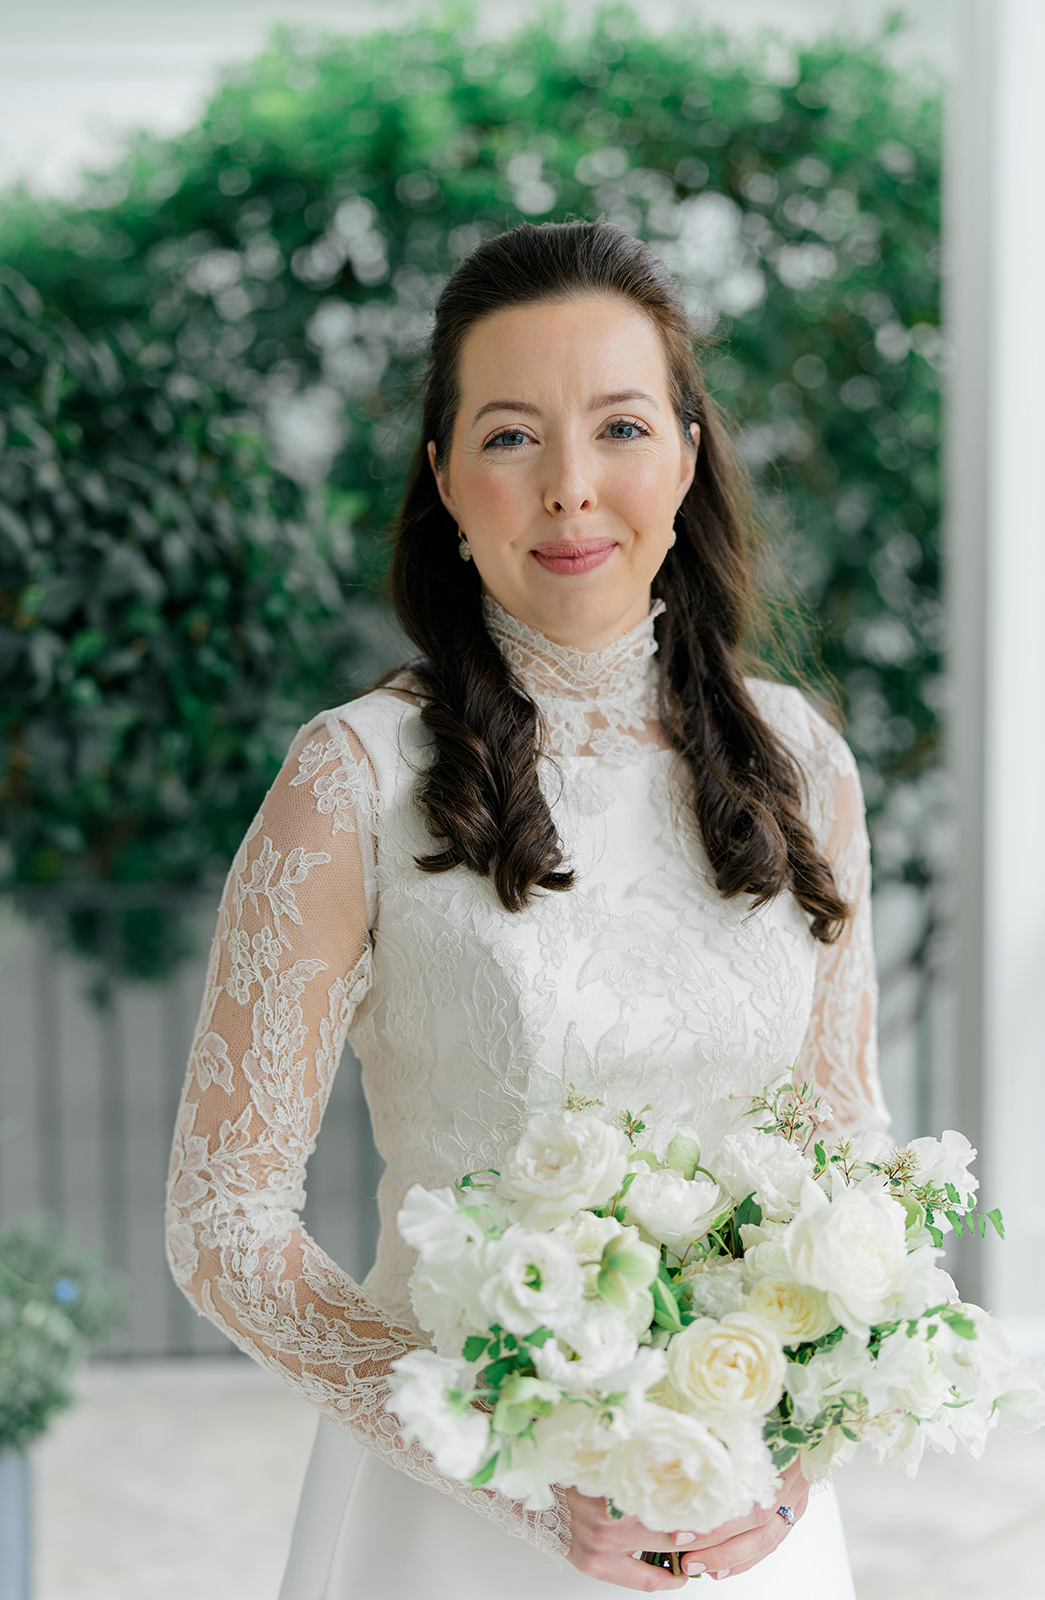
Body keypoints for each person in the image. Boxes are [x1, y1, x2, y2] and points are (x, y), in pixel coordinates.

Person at [166, 220, 887, 1597]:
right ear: (442, 477)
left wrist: (802, 1439)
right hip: (460, 1528)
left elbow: (849, 1148)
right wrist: (510, 1461)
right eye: (509, 437)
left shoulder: (807, 765)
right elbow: (224, 1224)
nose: (570, 489)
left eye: (619, 426)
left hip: (750, 1521)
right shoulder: (351, 781)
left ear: (686, 454)